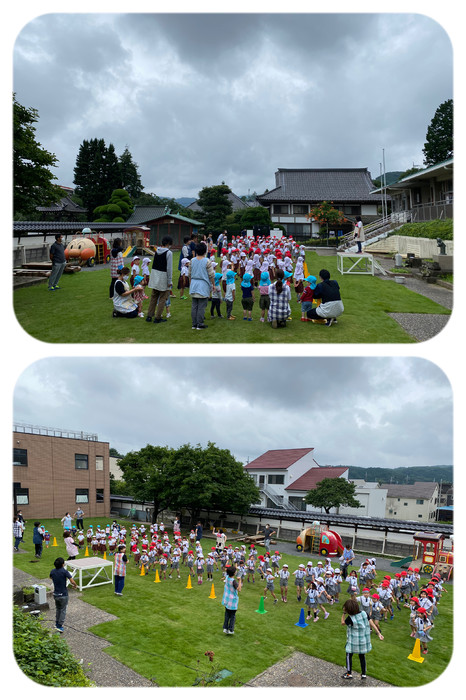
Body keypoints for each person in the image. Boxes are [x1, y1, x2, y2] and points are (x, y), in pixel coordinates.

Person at [341, 598, 372, 680]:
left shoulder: (350, 618)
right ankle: (364, 674)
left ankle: (349, 673)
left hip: (353, 641)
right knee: (362, 656)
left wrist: (344, 613)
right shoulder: (364, 613)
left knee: (348, 654)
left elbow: (342, 623)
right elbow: (370, 621)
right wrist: (379, 633)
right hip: (363, 640)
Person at [146, 236, 174, 323]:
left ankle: (149, 316)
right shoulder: (169, 253)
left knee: (154, 296)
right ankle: (158, 317)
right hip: (163, 276)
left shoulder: (157, 251)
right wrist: (169, 280)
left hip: (155, 274)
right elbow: (169, 268)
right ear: (168, 243)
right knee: (163, 297)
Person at [189, 242, 215, 330]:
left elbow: (189, 274)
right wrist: (213, 285)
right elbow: (211, 275)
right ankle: (200, 324)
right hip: (203, 285)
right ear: (205, 251)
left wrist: (191, 284)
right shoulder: (207, 261)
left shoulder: (192, 260)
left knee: (194, 305)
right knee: (201, 306)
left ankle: (194, 324)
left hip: (194, 284)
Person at [50, 557, 78, 632]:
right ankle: (59, 626)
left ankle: (56, 623)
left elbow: (50, 577)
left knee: (58, 609)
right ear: (63, 564)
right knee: (63, 610)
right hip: (63, 594)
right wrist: (75, 585)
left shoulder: (53, 571)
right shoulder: (64, 571)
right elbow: (72, 581)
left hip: (56, 594)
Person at [222, 565, 242, 635]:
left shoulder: (227, 578)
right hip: (232, 600)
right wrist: (240, 581)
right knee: (232, 615)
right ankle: (231, 629)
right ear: (234, 573)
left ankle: (225, 628)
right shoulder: (233, 581)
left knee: (227, 614)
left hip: (227, 599)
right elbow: (239, 589)